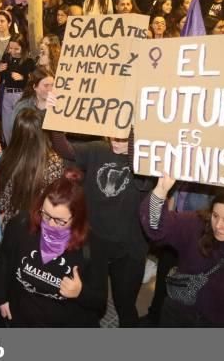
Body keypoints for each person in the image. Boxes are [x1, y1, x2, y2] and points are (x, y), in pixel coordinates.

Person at [140, 174, 224, 327]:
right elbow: (156, 228)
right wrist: (161, 190)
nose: (218, 226)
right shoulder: (197, 225)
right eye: (215, 216)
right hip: (178, 315)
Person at [0, 176, 107, 327]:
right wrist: (2, 298)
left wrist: (80, 292)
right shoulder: (20, 226)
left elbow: (100, 301)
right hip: (22, 320)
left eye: (60, 221)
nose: (50, 225)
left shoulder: (92, 246)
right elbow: (5, 261)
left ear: (77, 219)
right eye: (46, 215)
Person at [72, 136, 154, 327]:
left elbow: (144, 182)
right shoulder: (97, 149)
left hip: (130, 246)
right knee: (93, 301)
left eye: (123, 138)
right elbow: (66, 150)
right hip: (96, 241)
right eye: (112, 136)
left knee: (125, 305)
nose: (115, 141)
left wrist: (134, 145)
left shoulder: (146, 158)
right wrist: (50, 114)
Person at [0, 109, 64, 226]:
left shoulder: (7, 157)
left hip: (13, 224)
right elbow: (55, 199)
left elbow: (2, 202)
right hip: (40, 224)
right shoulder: (55, 161)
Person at [0, 34, 35, 143]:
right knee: (7, 126)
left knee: (19, 126)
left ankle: (21, 150)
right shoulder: (6, 58)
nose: (12, 51)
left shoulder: (29, 62)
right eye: (10, 48)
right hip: (7, 94)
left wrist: (23, 78)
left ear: (23, 48)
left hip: (21, 95)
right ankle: (9, 149)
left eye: (16, 49)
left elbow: (33, 83)